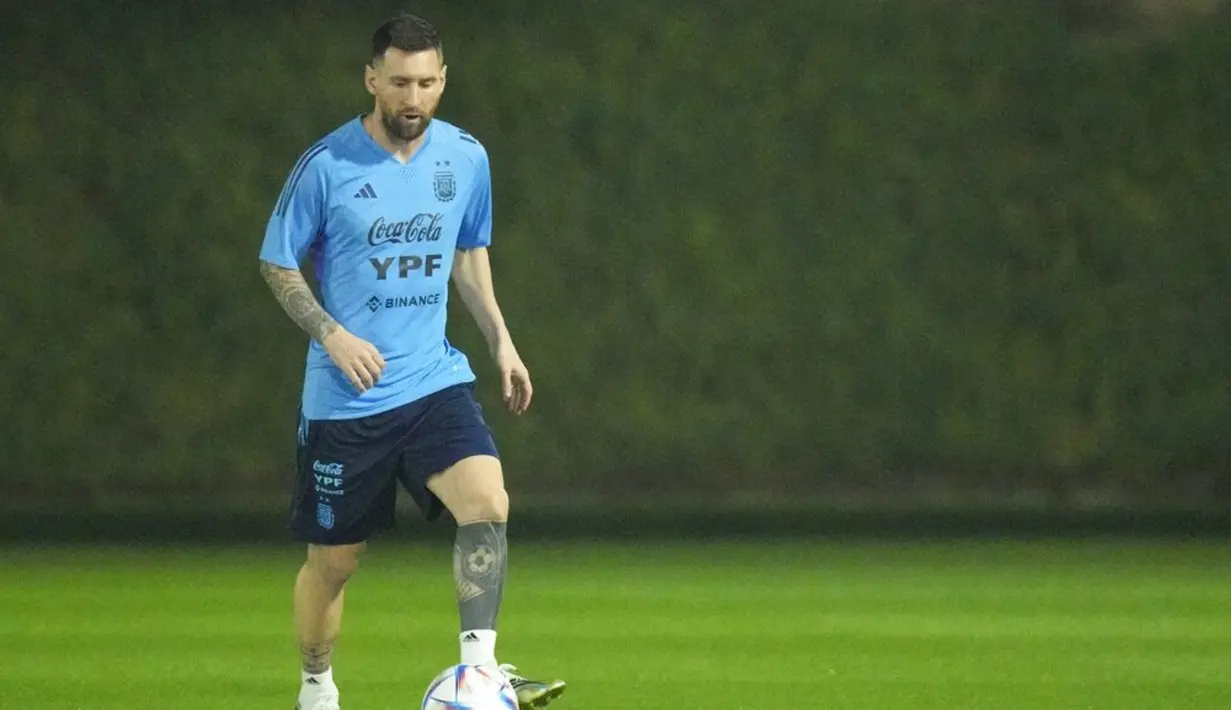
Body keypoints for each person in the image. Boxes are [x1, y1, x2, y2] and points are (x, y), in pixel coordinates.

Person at [257, 13, 566, 710]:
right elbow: (277, 263)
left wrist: (500, 340)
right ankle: (315, 687)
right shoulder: (327, 166)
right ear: (372, 79)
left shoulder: (465, 158)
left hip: (433, 381)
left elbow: (467, 252)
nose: (413, 98)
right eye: (398, 82)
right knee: (333, 566)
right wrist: (332, 335)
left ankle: (479, 672)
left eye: (427, 83)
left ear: (443, 81)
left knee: (487, 499)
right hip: (348, 400)